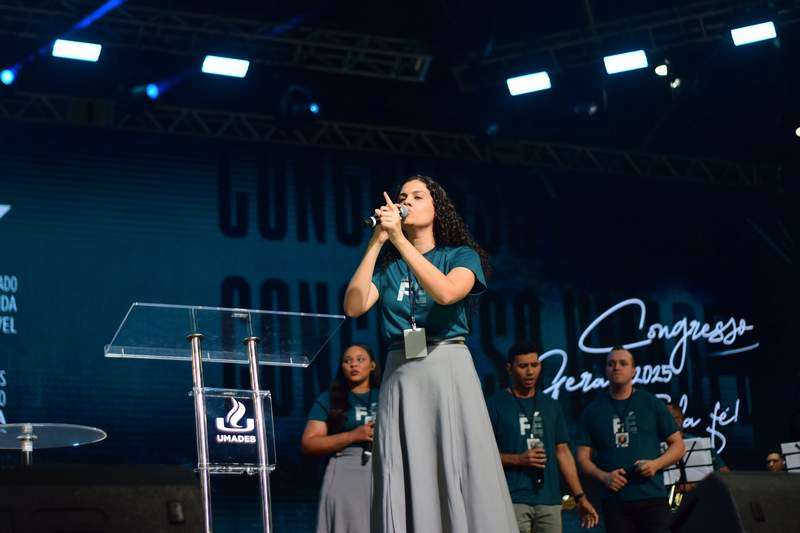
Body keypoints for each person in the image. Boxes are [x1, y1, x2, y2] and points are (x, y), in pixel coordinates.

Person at [343, 174, 517, 533]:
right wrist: (377, 242)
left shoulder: (461, 255)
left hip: (445, 364)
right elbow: (353, 306)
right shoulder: (390, 268)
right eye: (402, 196)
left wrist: (399, 241)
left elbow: (447, 293)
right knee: (404, 462)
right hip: (401, 369)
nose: (405, 201)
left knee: (456, 456)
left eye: (417, 196)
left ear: (437, 209)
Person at [486, 341, 599, 532]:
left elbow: (563, 453)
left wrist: (580, 496)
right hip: (512, 499)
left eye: (535, 365)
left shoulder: (551, 405)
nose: (530, 372)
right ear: (509, 368)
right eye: (523, 366)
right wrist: (518, 459)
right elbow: (482, 456)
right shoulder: (495, 405)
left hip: (549, 500)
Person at [575, 348, 685, 533]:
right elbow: (581, 458)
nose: (616, 367)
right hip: (615, 500)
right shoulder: (593, 410)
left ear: (634, 370)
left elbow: (679, 446)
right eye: (611, 364)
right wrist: (604, 477)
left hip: (653, 497)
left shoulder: (652, 403)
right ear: (605, 370)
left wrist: (655, 465)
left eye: (623, 363)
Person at [301, 344, 381, 533]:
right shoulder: (328, 399)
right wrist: (353, 436)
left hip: (384, 468)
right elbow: (308, 443)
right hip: (346, 471)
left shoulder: (387, 394)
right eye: (347, 361)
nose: (353, 364)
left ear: (372, 365)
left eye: (360, 359)